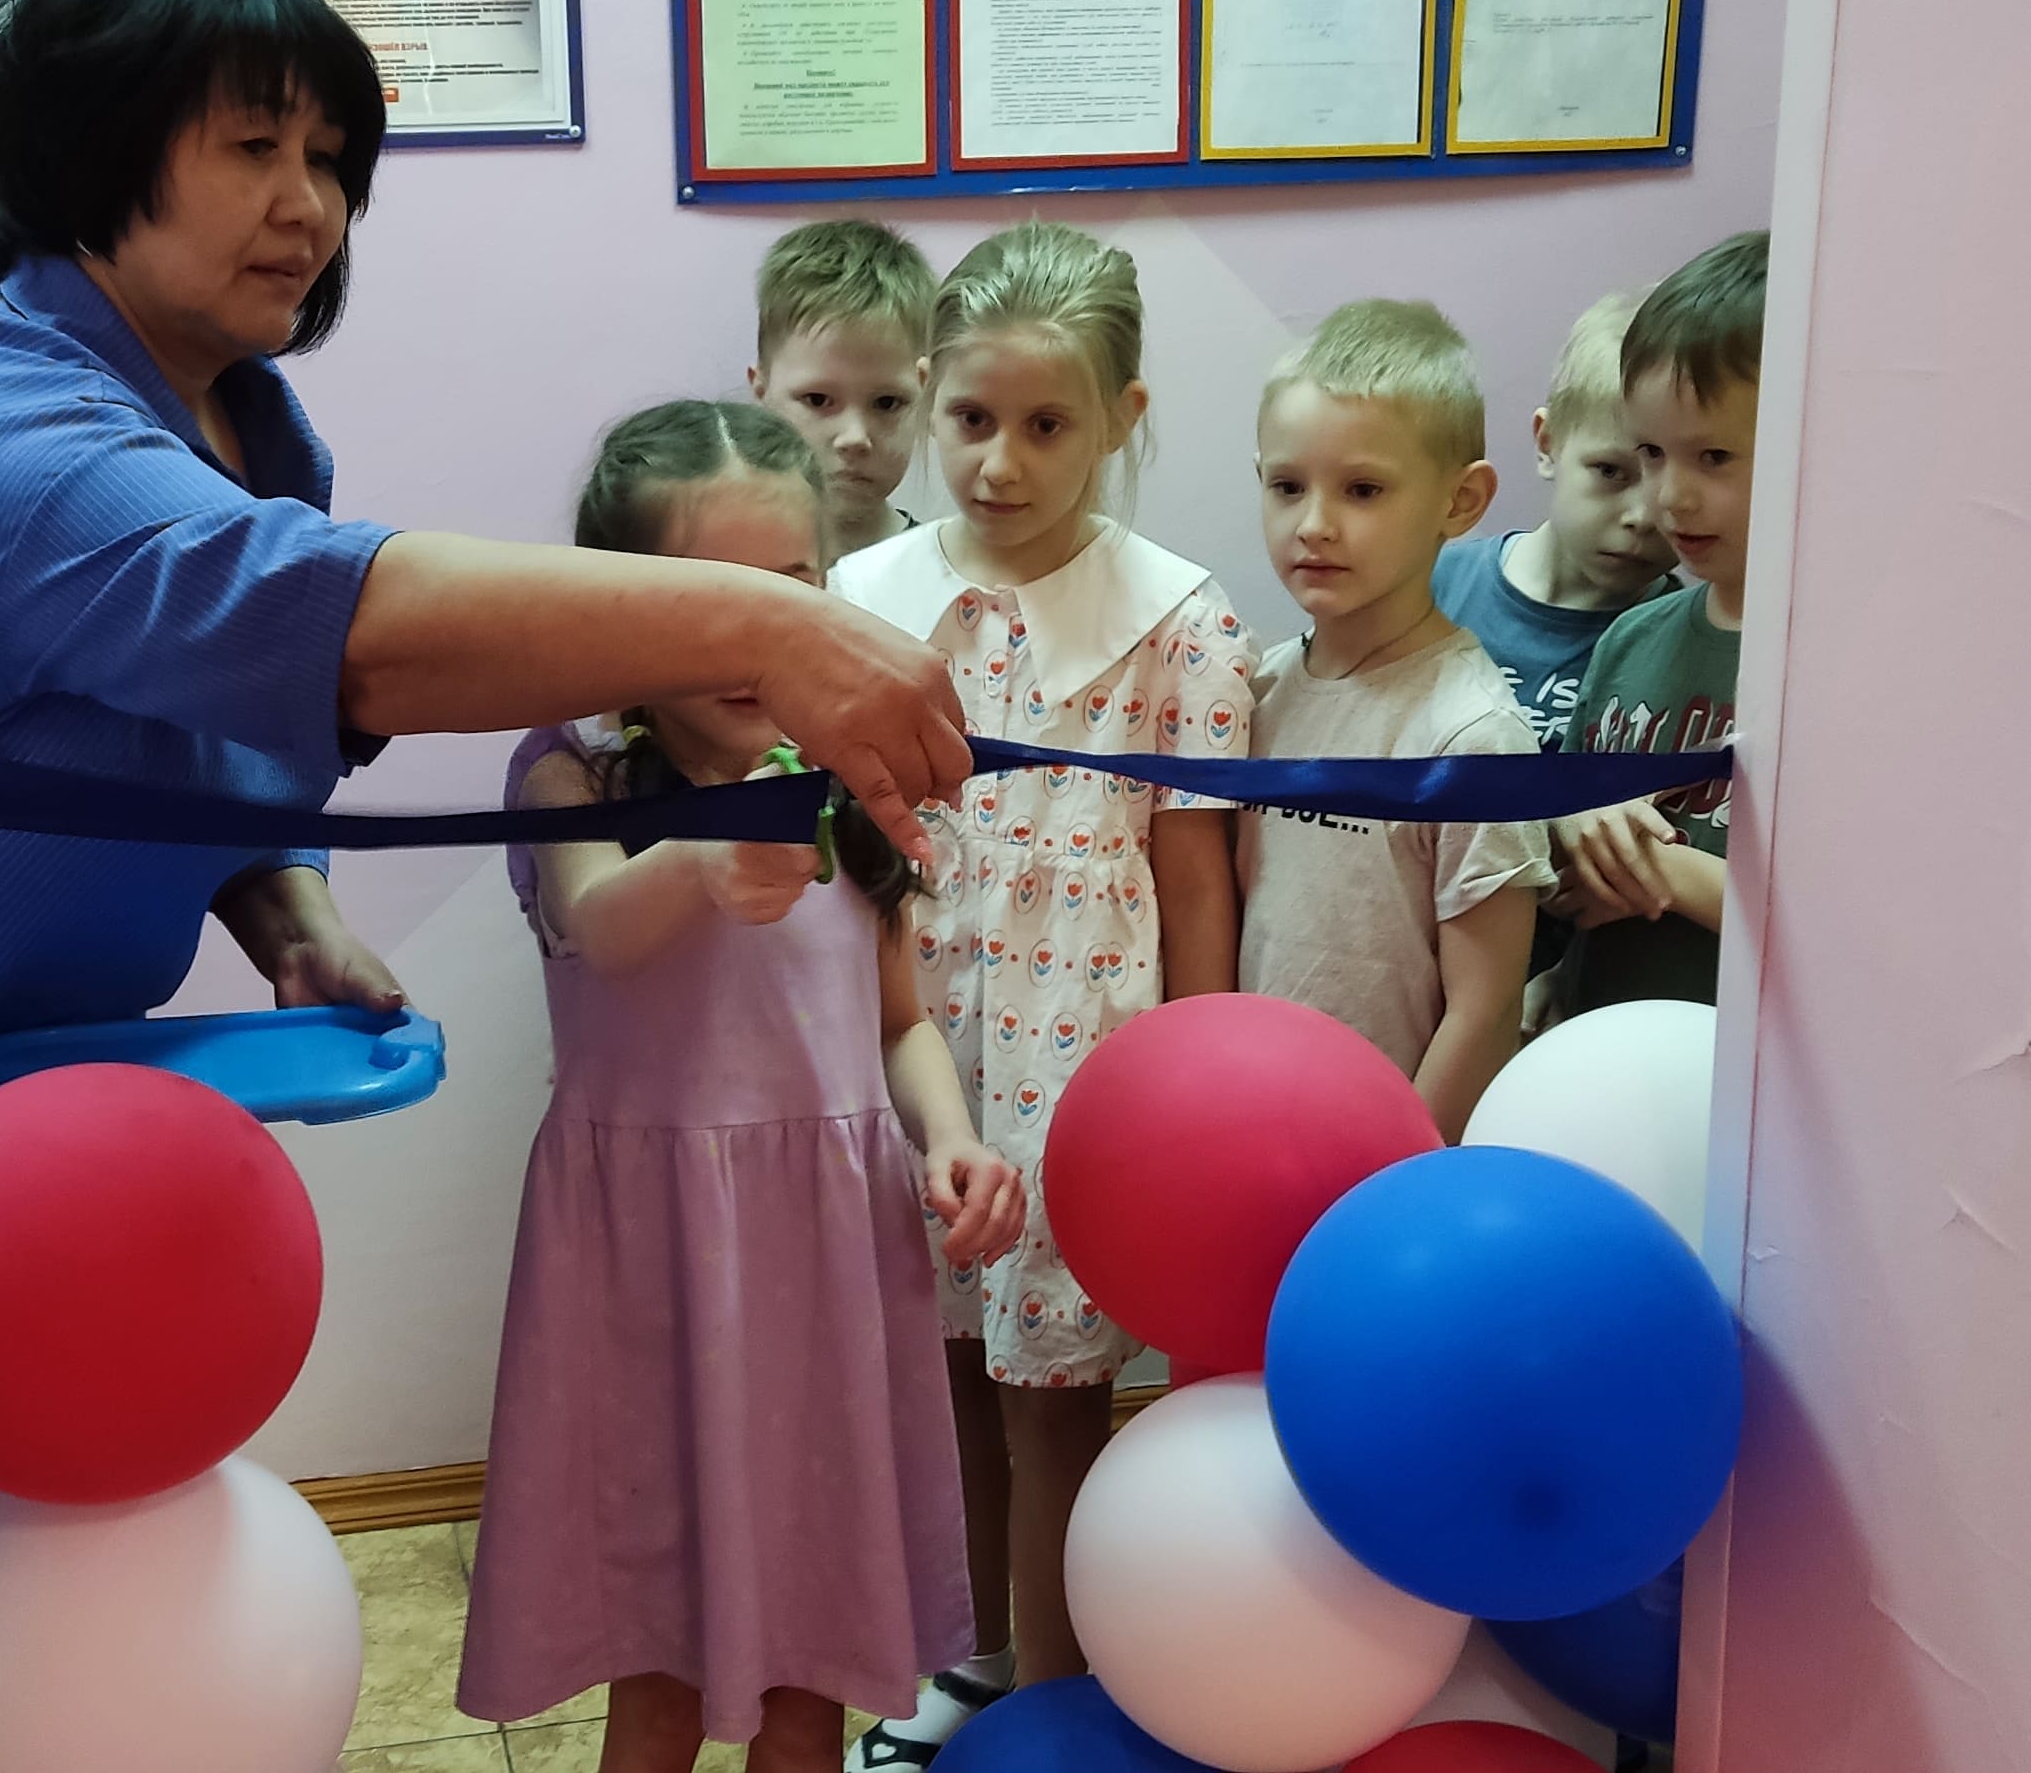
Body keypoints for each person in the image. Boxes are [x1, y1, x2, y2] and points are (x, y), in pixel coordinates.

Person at [0, 0, 968, 1122]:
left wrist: (285, 913)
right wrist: (768, 627)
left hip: (16, 1099)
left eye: (326, 159)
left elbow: (198, 718)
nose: (310, 206)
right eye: (254, 145)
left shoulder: (241, 430)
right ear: (86, 145)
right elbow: (342, 635)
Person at [459, 402, 1031, 1773]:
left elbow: (896, 1021)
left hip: (826, 1261)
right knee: (657, 1676)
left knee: (810, 1673)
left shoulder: (849, 780)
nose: (756, 636)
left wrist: (949, 1136)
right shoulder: (572, 772)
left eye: (791, 593)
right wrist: (710, 855)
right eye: (713, 598)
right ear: (620, 605)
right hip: (647, 1271)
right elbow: (599, 926)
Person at [833, 222, 1256, 1767]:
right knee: (948, 1361)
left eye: (1047, 425)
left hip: (1086, 1053)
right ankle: (978, 1658)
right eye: (970, 418)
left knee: (1051, 1391)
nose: (1000, 463)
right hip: (916, 1023)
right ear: (929, 397)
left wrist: (1196, 1089)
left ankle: (1057, 1711)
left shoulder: (1180, 622)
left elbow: (1197, 876)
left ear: (1122, 419)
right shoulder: (860, 596)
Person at [1238, 300, 1554, 1133]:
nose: (1314, 524)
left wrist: (1394, 1174)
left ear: (1462, 500)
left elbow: (1485, 1010)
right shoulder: (1257, 691)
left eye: (1363, 490)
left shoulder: (1473, 736)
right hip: (1251, 1131)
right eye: (1287, 487)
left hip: (1382, 1158)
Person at [1553, 231, 1767, 1014]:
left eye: (1713, 457)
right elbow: (1560, 841)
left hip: (1735, 1062)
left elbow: (1850, 927)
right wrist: (1577, 825)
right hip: (1596, 1036)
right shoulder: (1631, 638)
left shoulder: (1842, 671)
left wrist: (1667, 875)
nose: (1667, 498)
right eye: (1651, 453)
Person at [1430, 293, 1680, 752]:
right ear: (1548, 445)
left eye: (1671, 482)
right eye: (1610, 471)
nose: (1642, 517)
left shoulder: (1687, 642)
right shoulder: (1432, 587)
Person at [747, 220, 937, 563]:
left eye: (886, 403)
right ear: (760, 388)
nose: (854, 438)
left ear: (926, 395)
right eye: (818, 400)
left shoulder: (943, 576)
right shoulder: (716, 563)